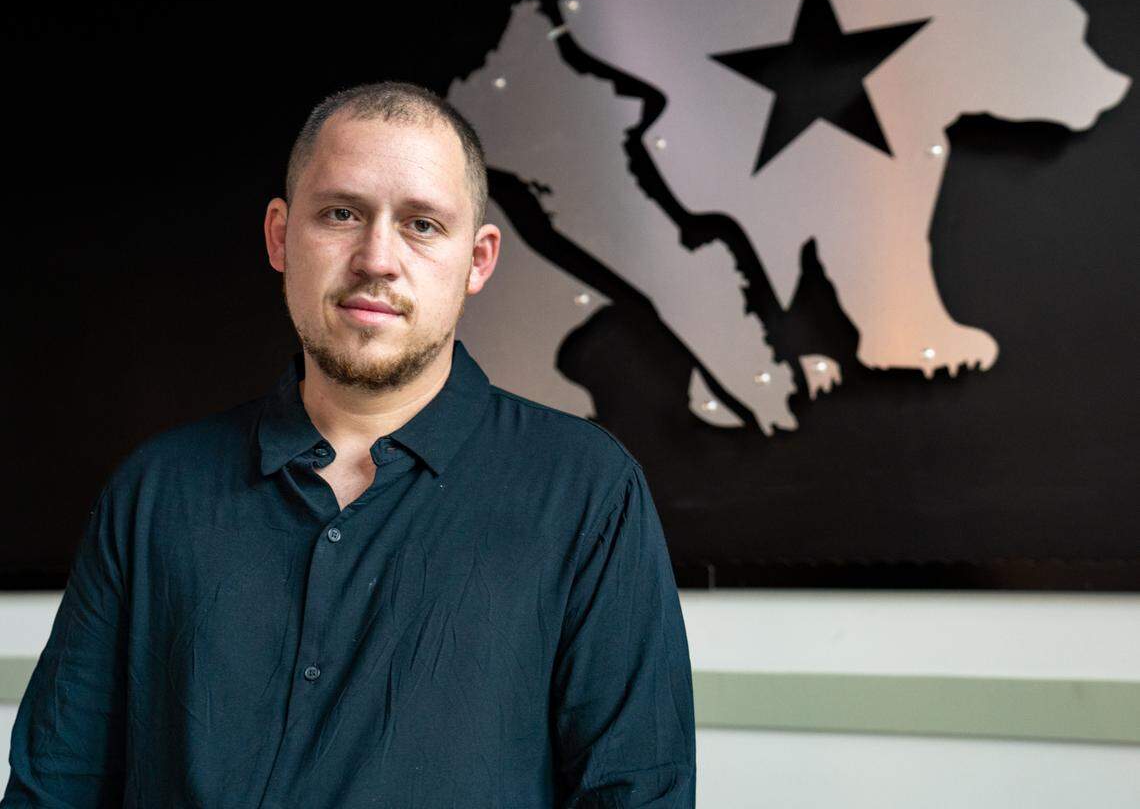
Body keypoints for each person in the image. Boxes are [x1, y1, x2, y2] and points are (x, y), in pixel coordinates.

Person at [2, 81, 696, 807]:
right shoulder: (155, 492)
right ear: (279, 236)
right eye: (341, 213)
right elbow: (55, 788)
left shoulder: (586, 492)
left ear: (479, 259)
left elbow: (636, 791)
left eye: (423, 225)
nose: (376, 259)